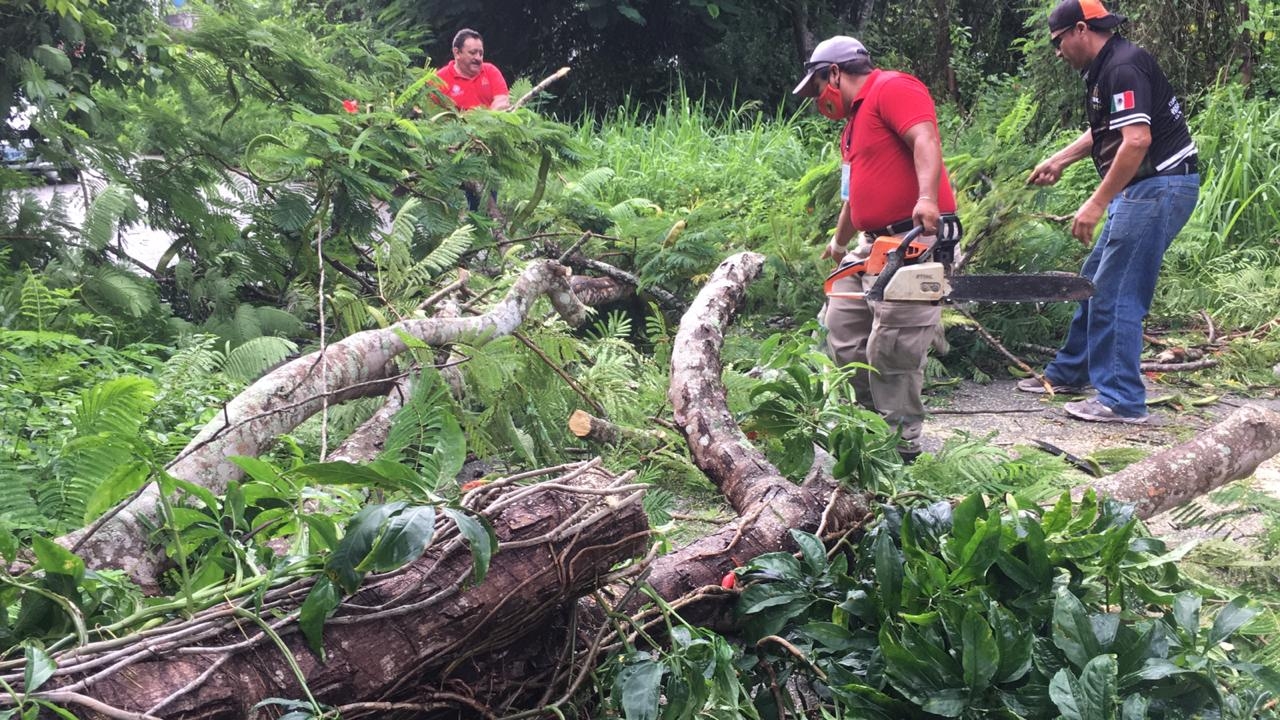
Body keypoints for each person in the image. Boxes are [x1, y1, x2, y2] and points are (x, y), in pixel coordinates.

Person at [1017, 0, 1199, 424]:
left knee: (1115, 292)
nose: (1058, 51)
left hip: (1157, 188)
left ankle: (1120, 400)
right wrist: (1061, 158)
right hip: (1146, 189)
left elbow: (1136, 141)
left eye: (1059, 41)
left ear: (1081, 29)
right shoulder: (1107, 68)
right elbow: (1109, 129)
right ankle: (1069, 373)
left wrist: (1097, 202)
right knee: (1092, 281)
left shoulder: (1123, 67)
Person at [793, 36, 963, 462]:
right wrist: (838, 242)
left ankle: (901, 446)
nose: (819, 98)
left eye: (817, 86)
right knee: (844, 329)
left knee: (893, 348)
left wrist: (927, 198)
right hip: (874, 243)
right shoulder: (852, 127)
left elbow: (924, 138)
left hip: (914, 238)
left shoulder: (892, 87)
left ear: (834, 73)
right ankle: (872, 427)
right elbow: (855, 196)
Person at [436, 29, 510, 111]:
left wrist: (487, 119)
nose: (478, 58)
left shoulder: (490, 71)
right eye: (472, 53)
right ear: (457, 53)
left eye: (481, 53)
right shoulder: (439, 79)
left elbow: (502, 100)